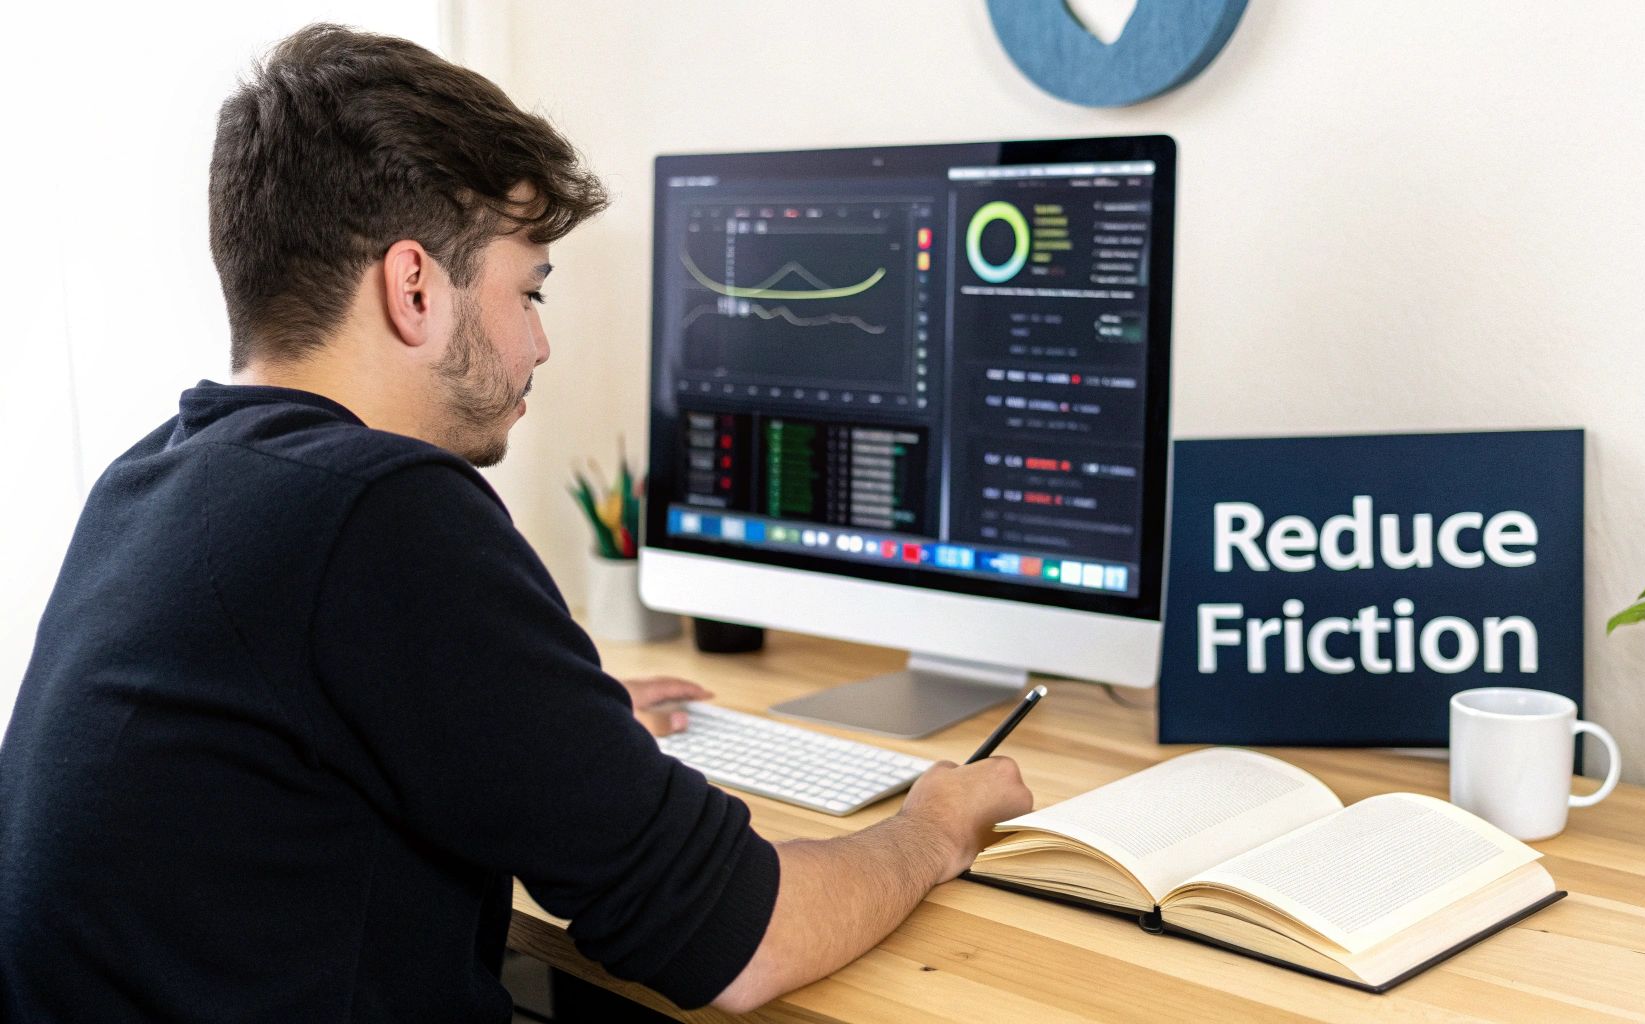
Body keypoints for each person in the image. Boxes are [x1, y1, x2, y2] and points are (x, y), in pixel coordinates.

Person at [0, 23, 1032, 1022]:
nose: (538, 342)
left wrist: (550, 723)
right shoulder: (379, 507)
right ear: (414, 286)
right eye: (527, 290)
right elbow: (742, 943)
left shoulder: (154, 479)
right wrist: (932, 827)